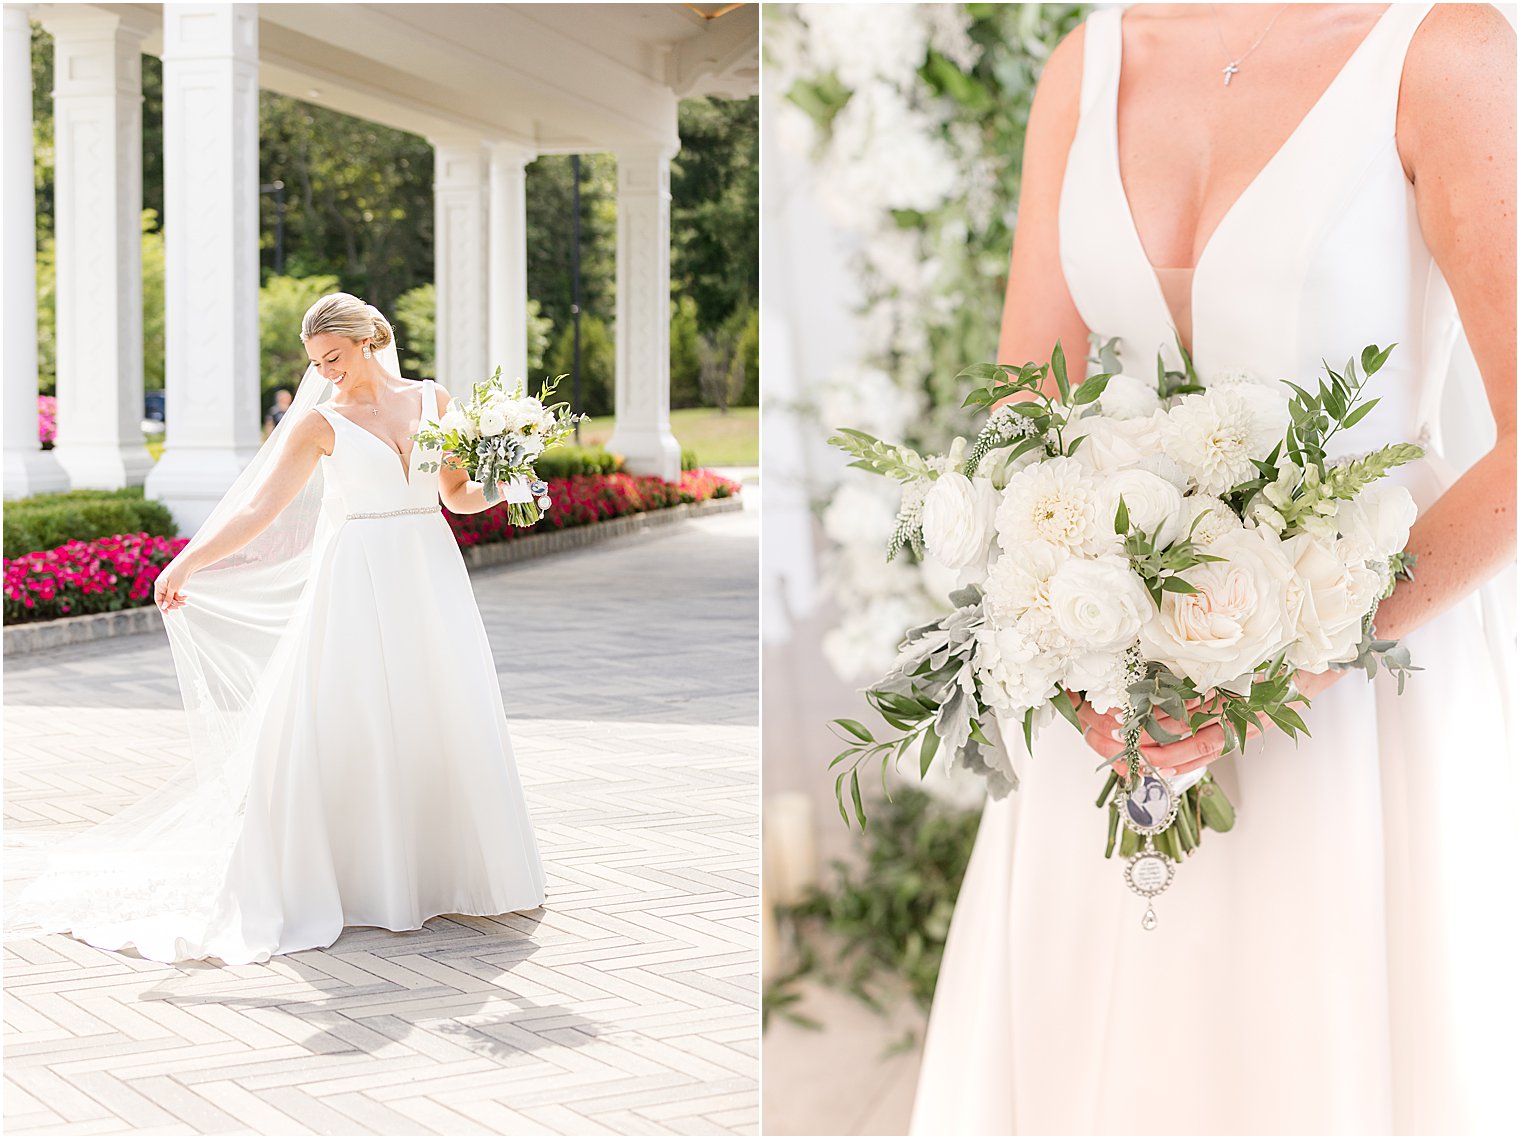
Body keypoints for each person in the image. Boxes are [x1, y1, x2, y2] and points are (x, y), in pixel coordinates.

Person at [910, 4, 1514, 1134]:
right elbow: (1023, 408)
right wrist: (1068, 629)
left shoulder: (1441, 51)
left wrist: (1295, 653)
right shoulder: (1082, 66)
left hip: (1354, 706)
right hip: (1112, 705)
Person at [6, 292, 546, 965]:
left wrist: (512, 475)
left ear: (366, 341)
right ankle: (362, 879)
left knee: (437, 707)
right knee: (355, 715)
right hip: (358, 580)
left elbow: (457, 496)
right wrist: (188, 560)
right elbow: (260, 507)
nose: (328, 372)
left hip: (429, 572)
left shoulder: (434, 399)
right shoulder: (320, 421)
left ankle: (439, 872)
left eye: (336, 358)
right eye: (319, 362)